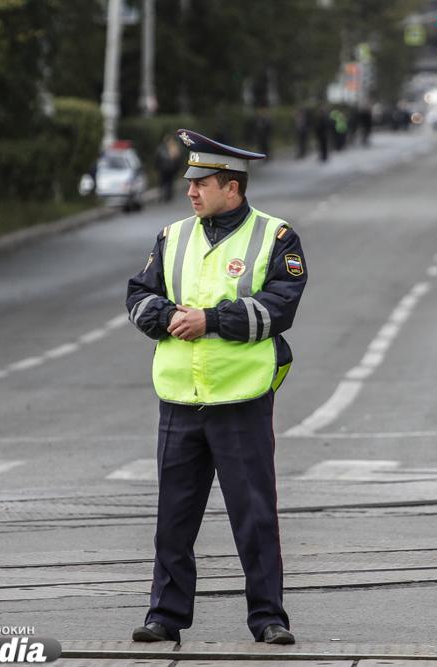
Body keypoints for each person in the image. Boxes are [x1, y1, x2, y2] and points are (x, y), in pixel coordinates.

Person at [126, 129, 307, 645]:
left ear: (232, 187)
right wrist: (165, 316)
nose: (190, 191)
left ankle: (268, 618)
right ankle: (165, 616)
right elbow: (140, 293)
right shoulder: (172, 236)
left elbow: (281, 305)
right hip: (181, 398)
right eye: (190, 182)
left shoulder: (275, 238)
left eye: (201, 182)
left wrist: (211, 320)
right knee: (173, 520)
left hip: (240, 400)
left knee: (253, 516)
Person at [155, 136, 181, 202]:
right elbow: (157, 160)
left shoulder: (173, 148)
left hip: (169, 169)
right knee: (163, 183)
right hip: (164, 169)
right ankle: (163, 196)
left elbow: (177, 160)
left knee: (168, 183)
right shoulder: (162, 149)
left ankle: (167, 196)